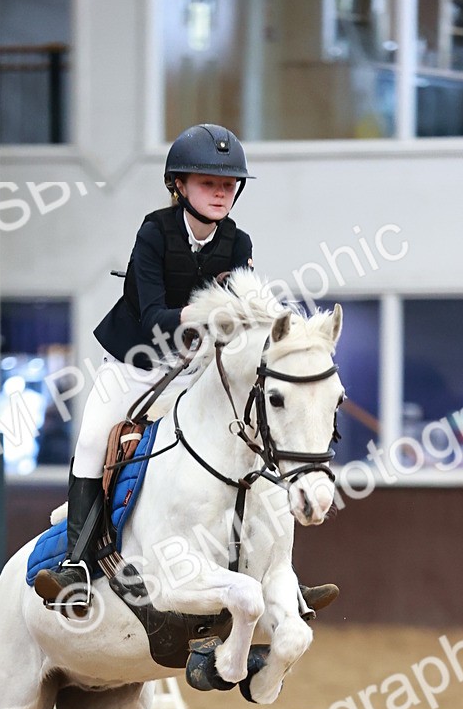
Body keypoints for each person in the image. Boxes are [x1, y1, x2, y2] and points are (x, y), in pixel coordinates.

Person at [34, 122, 338, 618]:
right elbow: (154, 318)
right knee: (91, 441)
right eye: (207, 183)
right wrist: (208, 312)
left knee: (250, 437)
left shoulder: (237, 242)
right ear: (179, 185)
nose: (220, 193)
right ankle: (77, 565)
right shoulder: (154, 232)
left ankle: (277, 575)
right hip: (136, 362)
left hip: (195, 368)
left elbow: (246, 315)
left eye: (228, 185)